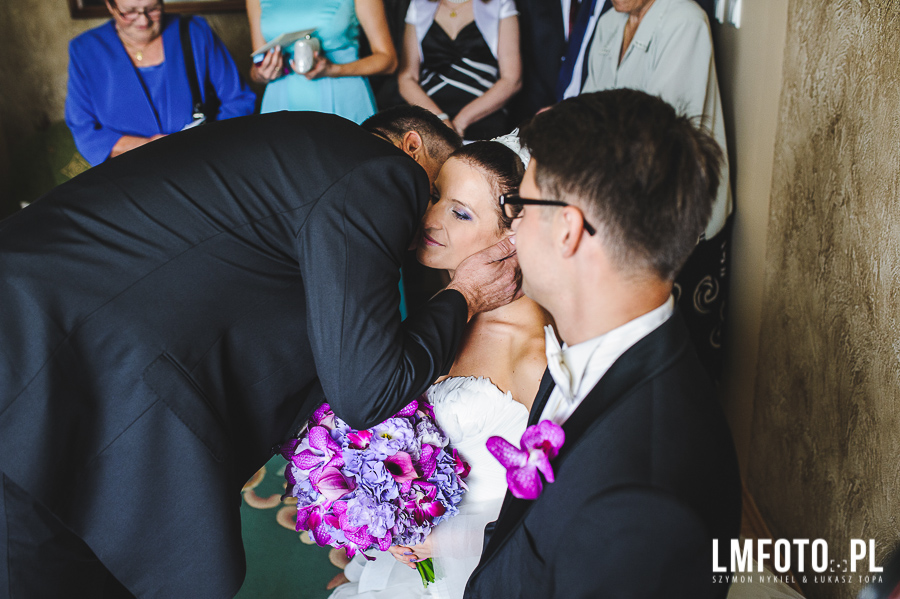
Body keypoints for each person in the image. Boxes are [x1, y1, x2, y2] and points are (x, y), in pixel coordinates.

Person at [0, 106, 520, 598]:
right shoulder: (378, 171)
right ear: (411, 148)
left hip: (62, 370)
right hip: (53, 376)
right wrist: (465, 296)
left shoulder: (299, 154)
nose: (427, 218)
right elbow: (366, 391)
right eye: (434, 193)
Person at [463, 90, 742, 598]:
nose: (513, 227)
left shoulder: (642, 502)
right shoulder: (588, 350)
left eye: (521, 206)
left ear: (568, 230)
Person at [326, 141, 551, 599]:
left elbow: (556, 506)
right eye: (434, 196)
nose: (429, 218)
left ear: (515, 235)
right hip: (415, 548)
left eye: (461, 213)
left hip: (476, 567)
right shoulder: (444, 307)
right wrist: (386, 512)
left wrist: (445, 541)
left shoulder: (533, 353)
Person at [580, 0, 732, 380]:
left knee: (674, 360)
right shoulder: (610, 23)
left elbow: (657, 135)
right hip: (619, 204)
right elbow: (585, 113)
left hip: (675, 210)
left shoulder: (684, 21)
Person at [66, 0, 256, 166]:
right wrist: (148, 146)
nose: (143, 20)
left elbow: (239, 100)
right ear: (110, 5)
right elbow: (84, 129)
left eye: (153, 9)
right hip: (128, 172)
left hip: (201, 161)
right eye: (130, 12)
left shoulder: (196, 31)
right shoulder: (84, 50)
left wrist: (206, 144)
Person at [247, 0, 398, 123]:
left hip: (343, 97)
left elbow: (388, 60)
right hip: (280, 100)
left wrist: (334, 69)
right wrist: (262, 74)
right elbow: (257, 65)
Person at [398, 0, 522, 140]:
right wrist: (440, 120)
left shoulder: (500, 3)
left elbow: (512, 79)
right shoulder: (419, 5)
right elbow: (407, 76)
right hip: (429, 116)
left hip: (483, 115)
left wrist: (460, 122)